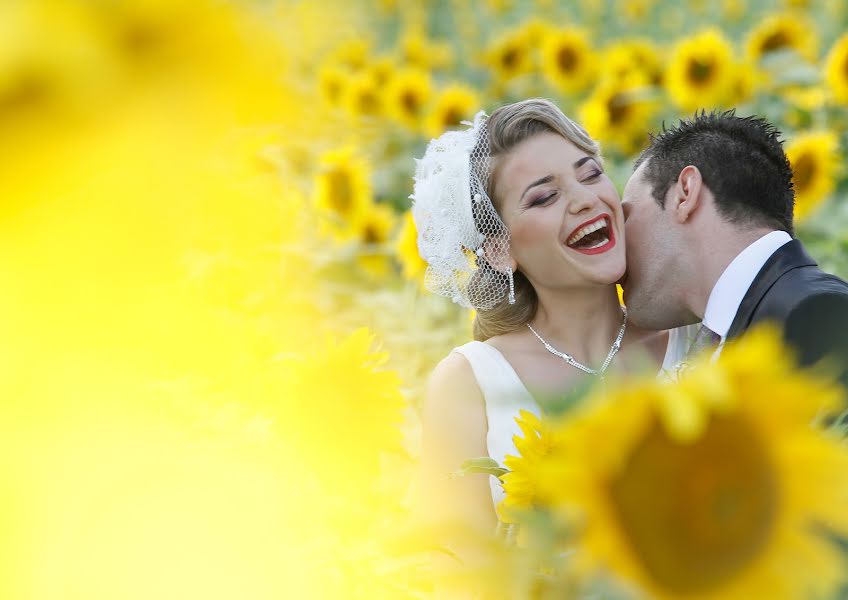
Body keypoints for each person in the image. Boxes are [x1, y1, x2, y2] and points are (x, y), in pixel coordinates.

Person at [410, 99, 692, 539]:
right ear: (501, 250)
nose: (584, 199)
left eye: (591, 173)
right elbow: (458, 573)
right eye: (544, 196)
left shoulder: (696, 335)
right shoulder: (469, 384)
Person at [621, 110, 848, 384]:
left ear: (684, 194)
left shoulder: (817, 313)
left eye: (626, 216)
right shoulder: (753, 322)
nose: (618, 241)